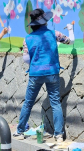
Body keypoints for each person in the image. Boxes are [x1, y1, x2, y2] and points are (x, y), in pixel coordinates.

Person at [13, 9, 75, 142]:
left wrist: (36, 60)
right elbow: (71, 41)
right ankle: (58, 134)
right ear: (45, 22)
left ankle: (20, 131)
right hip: (52, 72)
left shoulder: (27, 38)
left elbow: (26, 59)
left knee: (28, 103)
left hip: (35, 73)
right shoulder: (54, 34)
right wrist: (71, 29)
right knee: (55, 103)